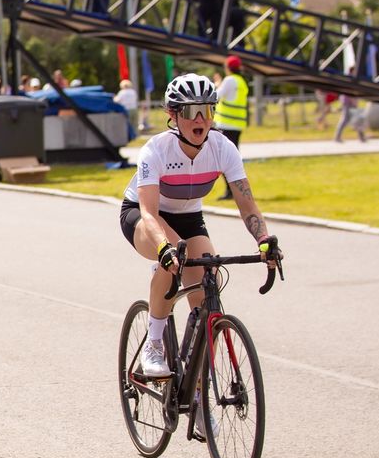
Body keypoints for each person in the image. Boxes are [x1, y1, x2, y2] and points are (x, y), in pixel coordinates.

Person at [119, 73, 280, 435]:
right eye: (191, 111)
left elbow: (247, 204)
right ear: (173, 115)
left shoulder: (223, 147)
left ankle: (199, 397)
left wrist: (264, 240)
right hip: (144, 216)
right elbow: (148, 211)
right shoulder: (156, 150)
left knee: (209, 287)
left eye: (207, 110)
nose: (200, 119)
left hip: (189, 217)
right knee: (173, 259)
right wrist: (163, 248)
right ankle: (155, 344)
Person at [214, 56, 248, 199]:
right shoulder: (241, 81)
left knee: (224, 159)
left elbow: (216, 96)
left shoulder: (229, 80)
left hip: (226, 124)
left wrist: (217, 84)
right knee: (232, 158)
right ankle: (233, 190)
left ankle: (231, 191)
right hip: (237, 124)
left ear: (227, 68)